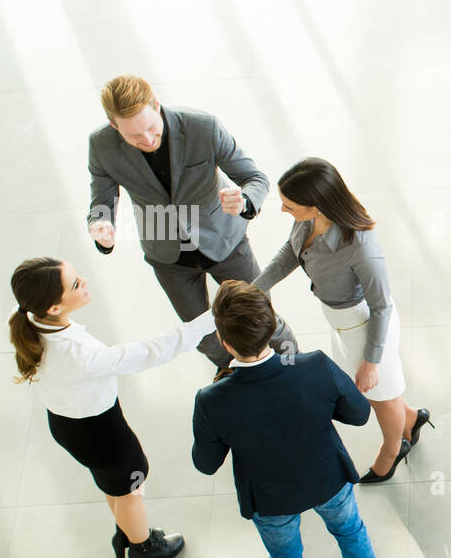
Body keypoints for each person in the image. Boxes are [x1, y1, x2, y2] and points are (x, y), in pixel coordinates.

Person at [190, 280, 389, 558]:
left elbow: (206, 463)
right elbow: (360, 415)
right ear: (273, 324)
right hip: (328, 479)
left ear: (224, 341)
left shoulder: (212, 399)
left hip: (270, 499)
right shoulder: (313, 366)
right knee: (350, 533)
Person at [8, 257, 214, 558]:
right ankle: (143, 544)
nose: (85, 281)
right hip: (101, 432)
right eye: (76, 284)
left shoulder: (26, 316)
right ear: (53, 308)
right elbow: (149, 352)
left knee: (113, 483)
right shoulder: (80, 356)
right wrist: (210, 320)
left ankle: (128, 531)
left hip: (69, 426)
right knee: (132, 486)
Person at [86, 73, 298, 373]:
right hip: (167, 255)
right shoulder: (101, 146)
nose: (146, 140)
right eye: (133, 136)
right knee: (202, 335)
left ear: (156, 106)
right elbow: (101, 201)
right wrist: (101, 226)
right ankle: (232, 375)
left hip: (224, 240)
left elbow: (254, 178)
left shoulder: (202, 126)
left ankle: (293, 366)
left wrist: (246, 201)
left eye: (150, 128)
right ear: (113, 125)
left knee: (262, 318)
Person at [252, 157, 431, 483]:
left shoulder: (361, 247)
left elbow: (381, 309)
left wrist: (372, 362)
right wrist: (257, 288)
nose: (283, 211)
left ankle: (392, 451)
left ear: (317, 206)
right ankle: (410, 419)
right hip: (342, 322)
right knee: (382, 392)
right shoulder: (306, 224)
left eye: (289, 206)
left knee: (380, 395)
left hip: (367, 327)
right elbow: (291, 252)